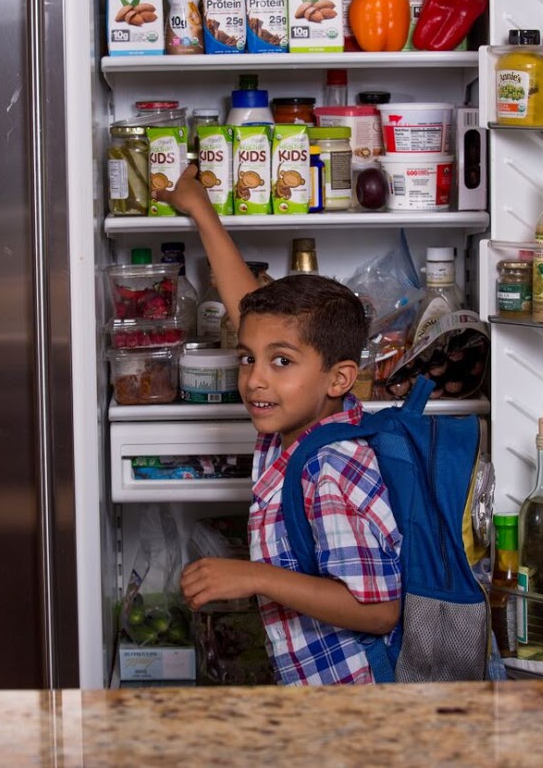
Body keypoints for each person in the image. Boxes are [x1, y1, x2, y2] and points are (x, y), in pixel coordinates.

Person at [154, 165, 401, 686]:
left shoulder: (333, 468)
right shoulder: (294, 426)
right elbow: (253, 311)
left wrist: (250, 575)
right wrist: (200, 208)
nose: (256, 380)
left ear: (339, 379)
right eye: (247, 359)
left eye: (281, 362)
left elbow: (378, 610)